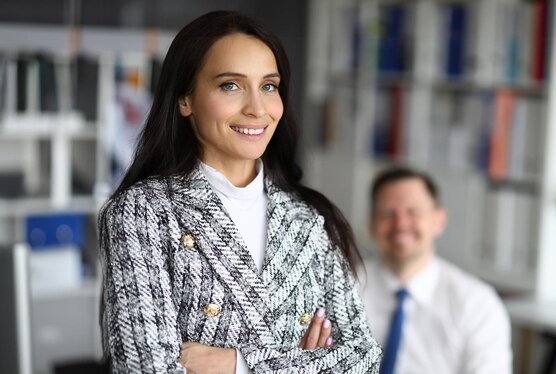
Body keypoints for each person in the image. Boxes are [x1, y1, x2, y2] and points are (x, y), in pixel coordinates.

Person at [98, 10, 381, 373]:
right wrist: (304, 363)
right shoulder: (142, 211)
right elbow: (146, 369)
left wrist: (236, 363)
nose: (257, 108)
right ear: (185, 99)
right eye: (230, 85)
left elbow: (363, 358)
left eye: (269, 86)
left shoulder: (308, 217)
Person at [359, 167, 511, 374]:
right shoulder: (342, 287)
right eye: (386, 214)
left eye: (413, 212)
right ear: (371, 223)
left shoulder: (478, 303)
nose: (400, 224)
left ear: (439, 220)